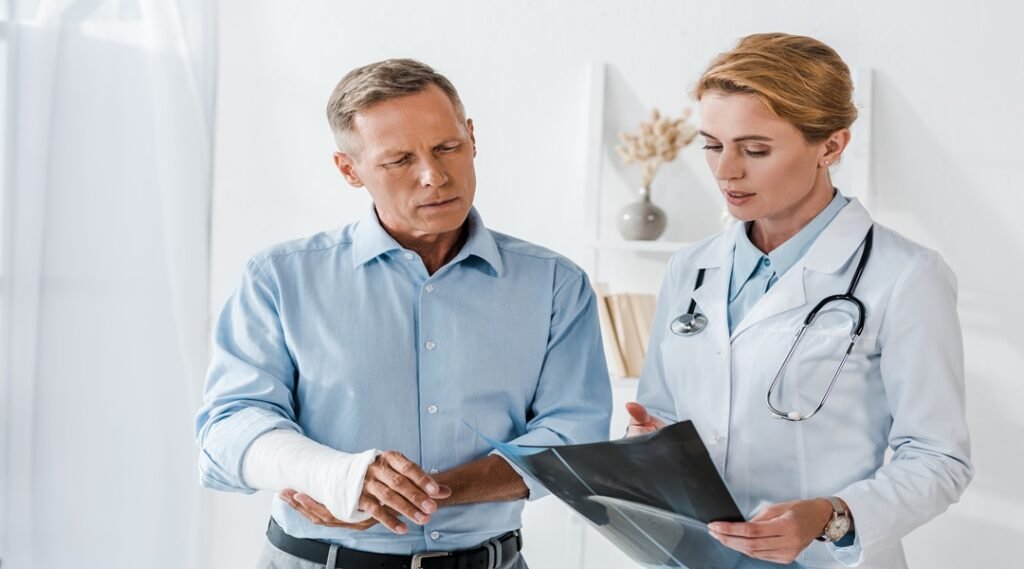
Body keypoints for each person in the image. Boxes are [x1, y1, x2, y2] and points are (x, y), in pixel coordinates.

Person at [195, 58, 611, 569]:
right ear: (350, 170)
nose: (434, 176)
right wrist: (338, 477)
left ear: (472, 138)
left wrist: (407, 493)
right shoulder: (279, 278)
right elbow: (229, 428)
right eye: (398, 160)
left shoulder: (555, 285)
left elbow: (576, 441)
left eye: (447, 147)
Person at [626, 33, 973, 568]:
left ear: (831, 145)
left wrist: (831, 516)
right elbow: (662, 411)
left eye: (755, 149)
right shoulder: (690, 268)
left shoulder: (906, 276)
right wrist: (648, 442)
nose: (725, 171)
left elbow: (938, 457)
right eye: (713, 145)